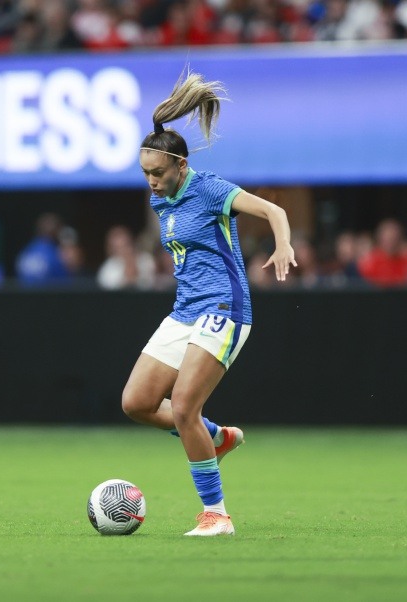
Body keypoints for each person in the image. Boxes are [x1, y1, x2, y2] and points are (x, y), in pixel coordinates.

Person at [120, 71, 296, 537]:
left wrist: (282, 244)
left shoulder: (211, 189)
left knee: (182, 408)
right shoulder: (163, 200)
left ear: (180, 165)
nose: (152, 183)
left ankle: (216, 515)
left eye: (158, 173)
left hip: (225, 308)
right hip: (185, 310)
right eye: (145, 174)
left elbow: (274, 211)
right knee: (136, 402)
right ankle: (217, 438)